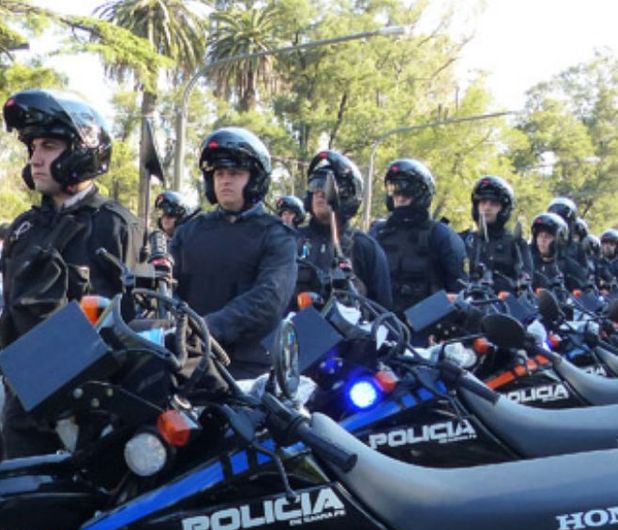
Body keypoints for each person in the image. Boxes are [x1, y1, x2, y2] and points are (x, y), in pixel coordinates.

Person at [0, 89, 146, 458]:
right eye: (32, 148)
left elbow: (129, 327)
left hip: (88, 415)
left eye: (48, 146)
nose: (35, 158)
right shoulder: (24, 228)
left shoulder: (116, 226)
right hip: (24, 406)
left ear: (82, 150)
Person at [168, 127, 296, 379]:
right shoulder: (189, 232)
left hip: (248, 370)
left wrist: (206, 327)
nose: (225, 180)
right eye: (219, 173)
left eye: (235, 173)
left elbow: (269, 298)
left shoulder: (277, 235)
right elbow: (166, 286)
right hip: (188, 361)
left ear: (255, 179)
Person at [294, 150, 392, 309]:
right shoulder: (289, 241)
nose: (319, 192)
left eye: (326, 185)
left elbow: (383, 310)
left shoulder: (365, 247)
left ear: (348, 195)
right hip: (292, 331)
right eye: (315, 185)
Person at [370, 159, 467, 313]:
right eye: (395, 191)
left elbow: (459, 293)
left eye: (407, 192)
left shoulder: (441, 235)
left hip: (428, 325)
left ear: (421, 194)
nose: (400, 198)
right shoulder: (378, 232)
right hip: (379, 322)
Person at [464, 176, 532, 293]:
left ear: (504, 208)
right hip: (466, 305)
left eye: (493, 203)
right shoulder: (464, 240)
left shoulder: (515, 244)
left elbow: (526, 278)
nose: (487, 207)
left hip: (505, 307)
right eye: (483, 202)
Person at [545, 197, 594, 292]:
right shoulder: (539, 245)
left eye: (563, 220)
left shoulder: (578, 249)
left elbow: (584, 275)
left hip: (571, 297)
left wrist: (564, 259)